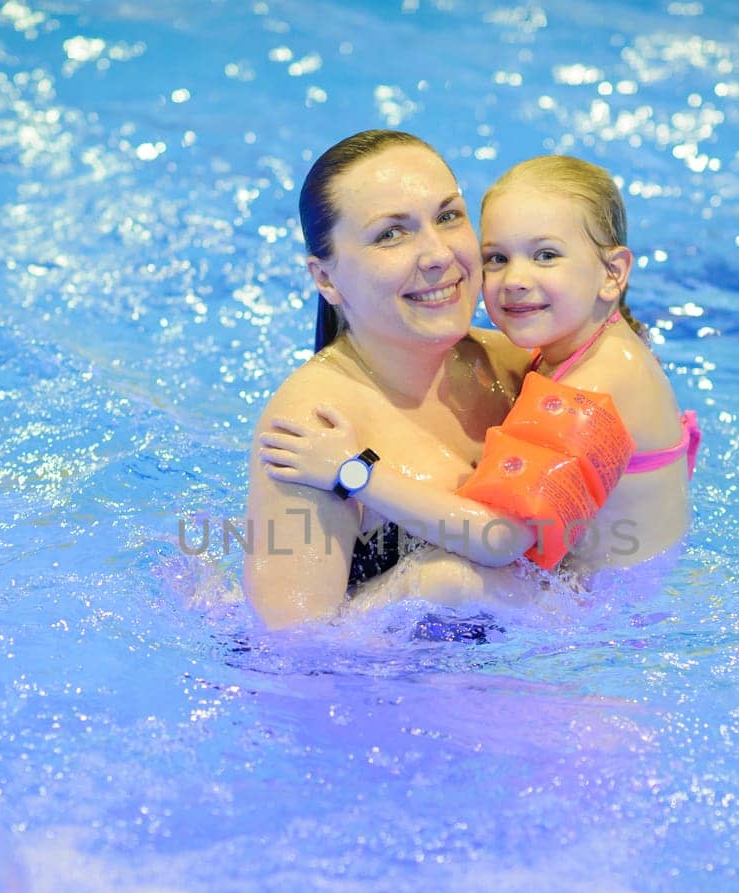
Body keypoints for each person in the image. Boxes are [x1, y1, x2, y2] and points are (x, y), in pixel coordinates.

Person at [259, 154, 698, 574]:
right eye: (497, 259)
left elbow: (501, 541)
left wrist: (352, 470)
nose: (516, 282)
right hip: (629, 603)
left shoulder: (598, 382)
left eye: (546, 255)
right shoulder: (598, 347)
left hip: (610, 631)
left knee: (445, 578)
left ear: (612, 272)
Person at [243, 130, 531, 630]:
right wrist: (422, 585)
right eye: (390, 234)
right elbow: (291, 655)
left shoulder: (516, 367)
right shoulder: (312, 431)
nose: (439, 254)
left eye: (447, 217)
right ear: (326, 279)